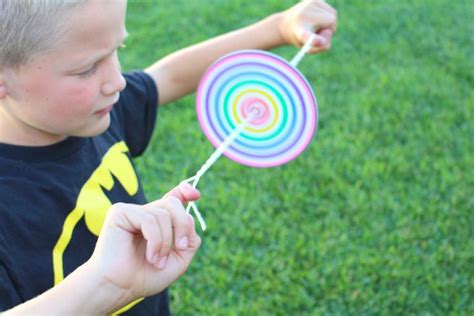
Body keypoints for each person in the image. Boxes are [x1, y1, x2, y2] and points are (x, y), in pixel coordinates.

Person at [0, 0, 337, 314]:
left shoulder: (93, 115)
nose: (116, 81)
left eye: (117, 49)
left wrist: (277, 28)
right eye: (87, 68)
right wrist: (103, 284)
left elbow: (166, 77)